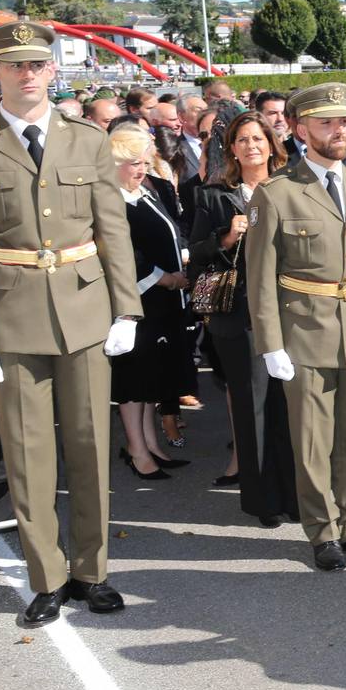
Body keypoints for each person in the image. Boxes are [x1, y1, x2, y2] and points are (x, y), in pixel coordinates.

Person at [0, 21, 142, 627]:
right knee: (27, 452)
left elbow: (110, 228)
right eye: (12, 65)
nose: (26, 75)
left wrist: (127, 308)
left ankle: (92, 572)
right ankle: (46, 577)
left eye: (37, 65)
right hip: (9, 314)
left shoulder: (87, 140)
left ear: (52, 70)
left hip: (85, 308)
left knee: (92, 445)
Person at [245, 82, 346, 571]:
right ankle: (321, 531)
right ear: (299, 129)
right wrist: (271, 343)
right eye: (327, 122)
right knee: (313, 440)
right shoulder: (277, 193)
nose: (340, 130)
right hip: (303, 333)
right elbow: (261, 278)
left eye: (345, 121)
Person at [189, 111, 297, 524]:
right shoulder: (213, 195)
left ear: (272, 143)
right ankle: (263, 500)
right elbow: (195, 253)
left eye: (258, 138)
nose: (252, 146)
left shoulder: (293, 188)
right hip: (241, 317)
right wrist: (227, 236)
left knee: (291, 408)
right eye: (242, 140)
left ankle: (295, 495)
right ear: (231, 149)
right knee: (253, 409)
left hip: (293, 312)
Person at [108, 127, 193, 479]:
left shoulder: (141, 192)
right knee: (134, 379)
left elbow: (170, 230)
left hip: (162, 301)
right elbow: (124, 253)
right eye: (132, 163)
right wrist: (164, 277)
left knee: (150, 379)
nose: (140, 168)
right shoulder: (112, 200)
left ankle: (149, 444)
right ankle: (137, 450)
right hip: (137, 301)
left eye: (143, 161)